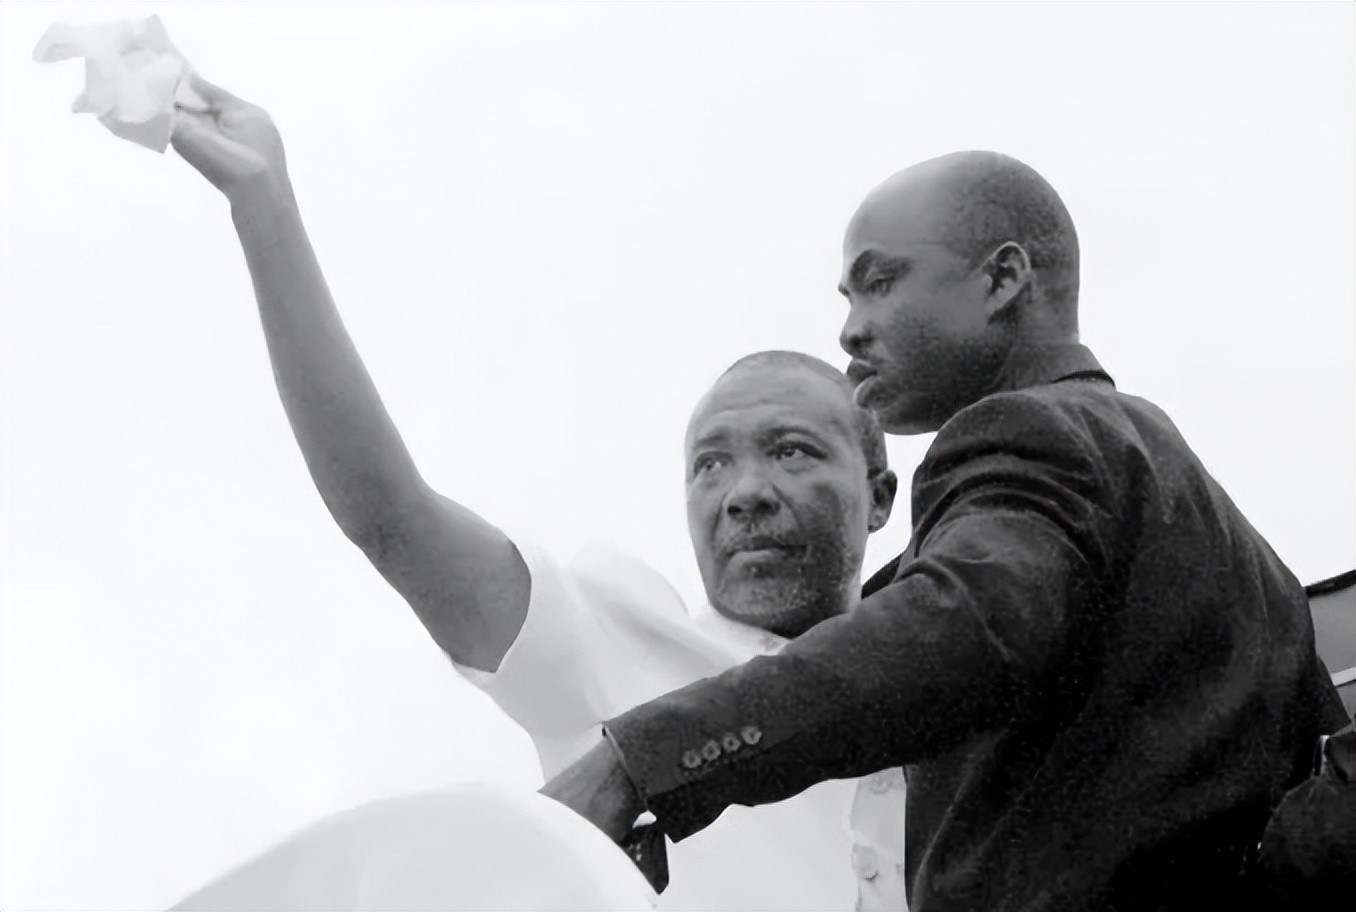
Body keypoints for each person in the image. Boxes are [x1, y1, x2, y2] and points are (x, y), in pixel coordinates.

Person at [165, 72, 906, 910]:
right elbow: (391, 517)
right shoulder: (617, 642)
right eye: (709, 465)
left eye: (792, 452)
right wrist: (263, 203)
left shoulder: (959, 692)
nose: (744, 493)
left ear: (880, 496)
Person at [543, 151, 1350, 912]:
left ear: (1003, 279)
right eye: (848, 299)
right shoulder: (1203, 522)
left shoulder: (1032, 435)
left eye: (880, 283)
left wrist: (635, 764)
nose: (851, 331)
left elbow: (952, 630)